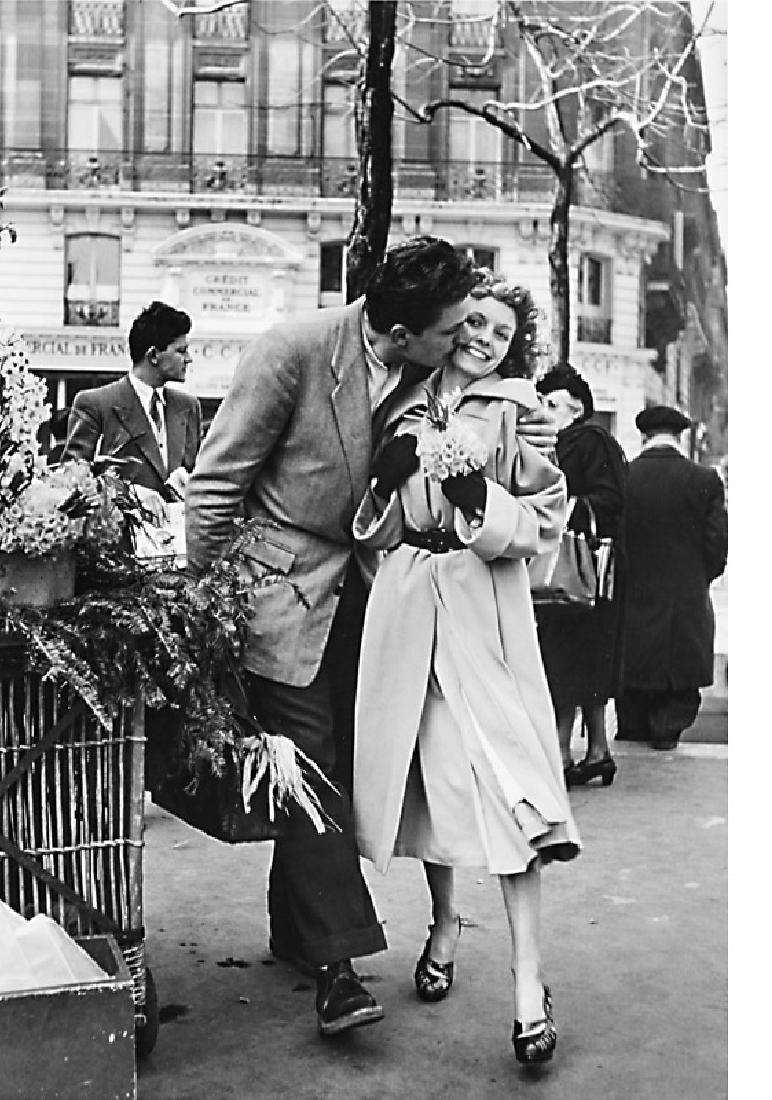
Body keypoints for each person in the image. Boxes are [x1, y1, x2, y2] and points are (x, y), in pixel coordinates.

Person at [185, 237, 559, 1039]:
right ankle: (338, 968)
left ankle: (296, 930)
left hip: (380, 602)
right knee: (310, 761)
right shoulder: (292, 351)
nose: (467, 337)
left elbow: (521, 490)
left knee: (340, 770)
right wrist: (212, 609)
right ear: (403, 333)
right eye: (454, 326)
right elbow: (215, 487)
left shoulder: (448, 387)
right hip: (280, 593)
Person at [352, 271, 580, 1066]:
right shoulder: (401, 403)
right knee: (432, 781)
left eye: (502, 335)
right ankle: (445, 924)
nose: (484, 341)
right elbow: (373, 532)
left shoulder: (521, 412)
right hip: (412, 609)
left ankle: (527, 981)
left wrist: (479, 502)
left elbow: (548, 519)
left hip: (484, 616)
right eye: (474, 324)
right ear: (451, 324)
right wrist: (384, 488)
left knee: (511, 790)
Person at [533, 365, 629, 788]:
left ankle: (563, 754)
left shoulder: (587, 441)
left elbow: (608, 500)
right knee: (583, 665)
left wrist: (561, 508)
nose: (544, 411)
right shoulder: (567, 442)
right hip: (580, 578)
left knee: (566, 663)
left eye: (552, 404)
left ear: (576, 409)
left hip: (579, 571)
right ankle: (596, 751)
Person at [615, 405, 728, 750]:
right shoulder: (705, 480)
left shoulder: (623, 477)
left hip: (633, 605)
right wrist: (694, 579)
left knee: (632, 698)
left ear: (644, 436)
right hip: (686, 605)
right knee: (679, 689)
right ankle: (667, 730)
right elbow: (718, 549)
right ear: (680, 436)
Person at [62, 300, 202, 502]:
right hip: (119, 531)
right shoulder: (95, 404)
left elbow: (199, 477)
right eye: (181, 351)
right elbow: (72, 484)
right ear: (153, 355)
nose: (188, 359)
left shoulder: (189, 407)